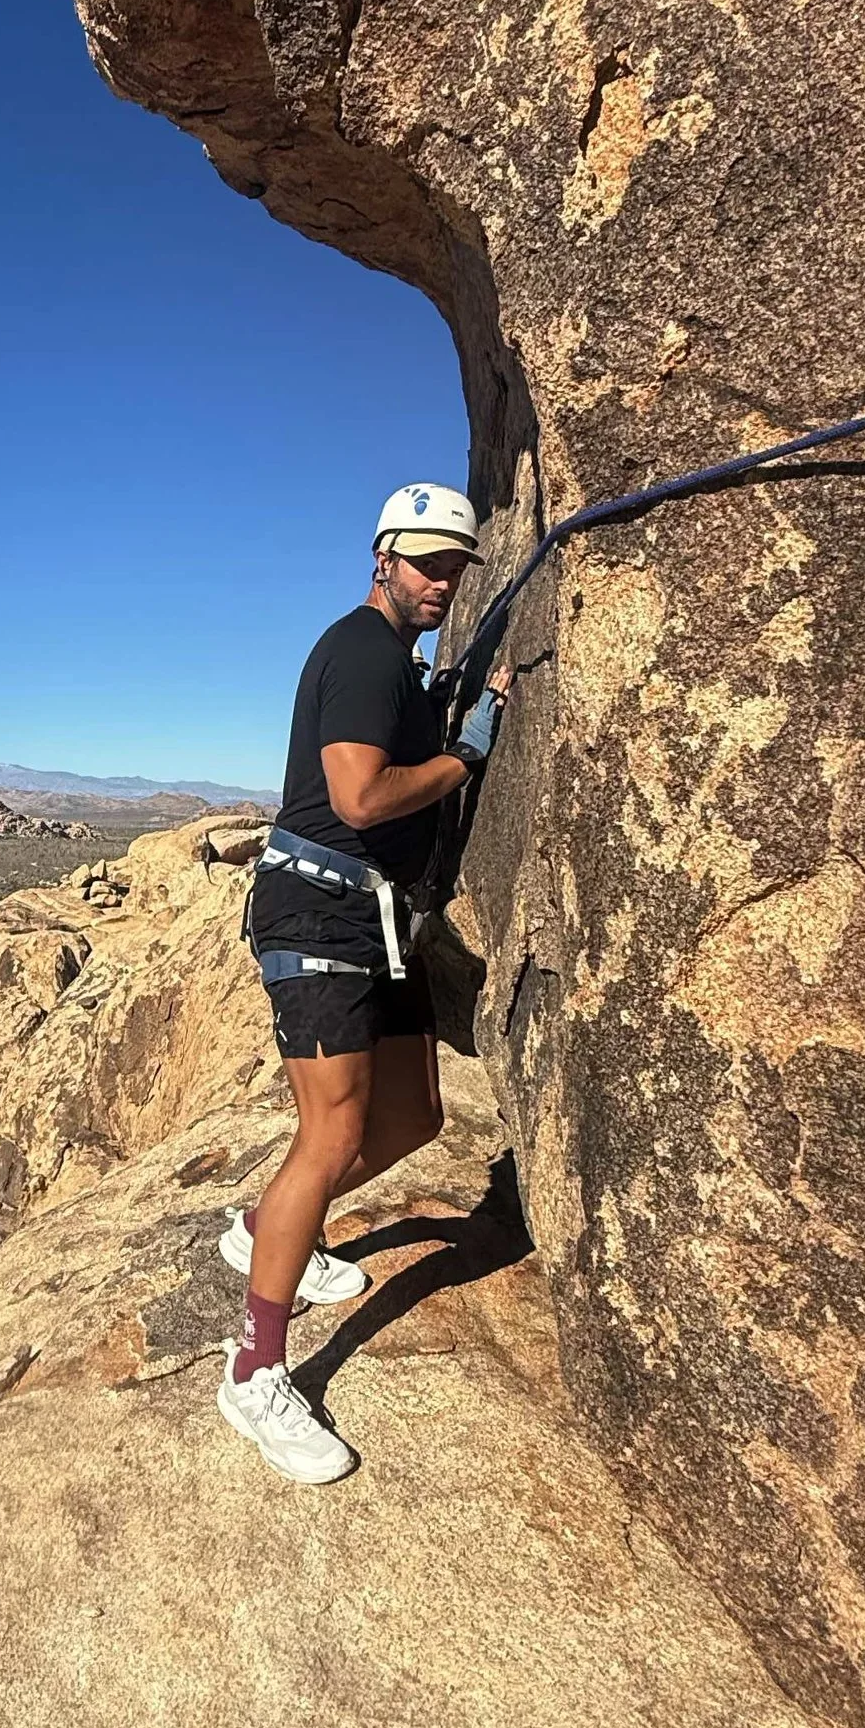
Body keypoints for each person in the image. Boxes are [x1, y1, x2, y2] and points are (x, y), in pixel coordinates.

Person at [217, 484, 504, 1485]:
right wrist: (464, 760)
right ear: (382, 557)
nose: (439, 580)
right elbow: (358, 796)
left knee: (414, 1117)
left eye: (454, 566)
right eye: (425, 561)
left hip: (376, 916)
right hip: (320, 911)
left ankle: (263, 1229)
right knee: (333, 1133)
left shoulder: (403, 669)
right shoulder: (362, 652)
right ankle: (255, 1370)